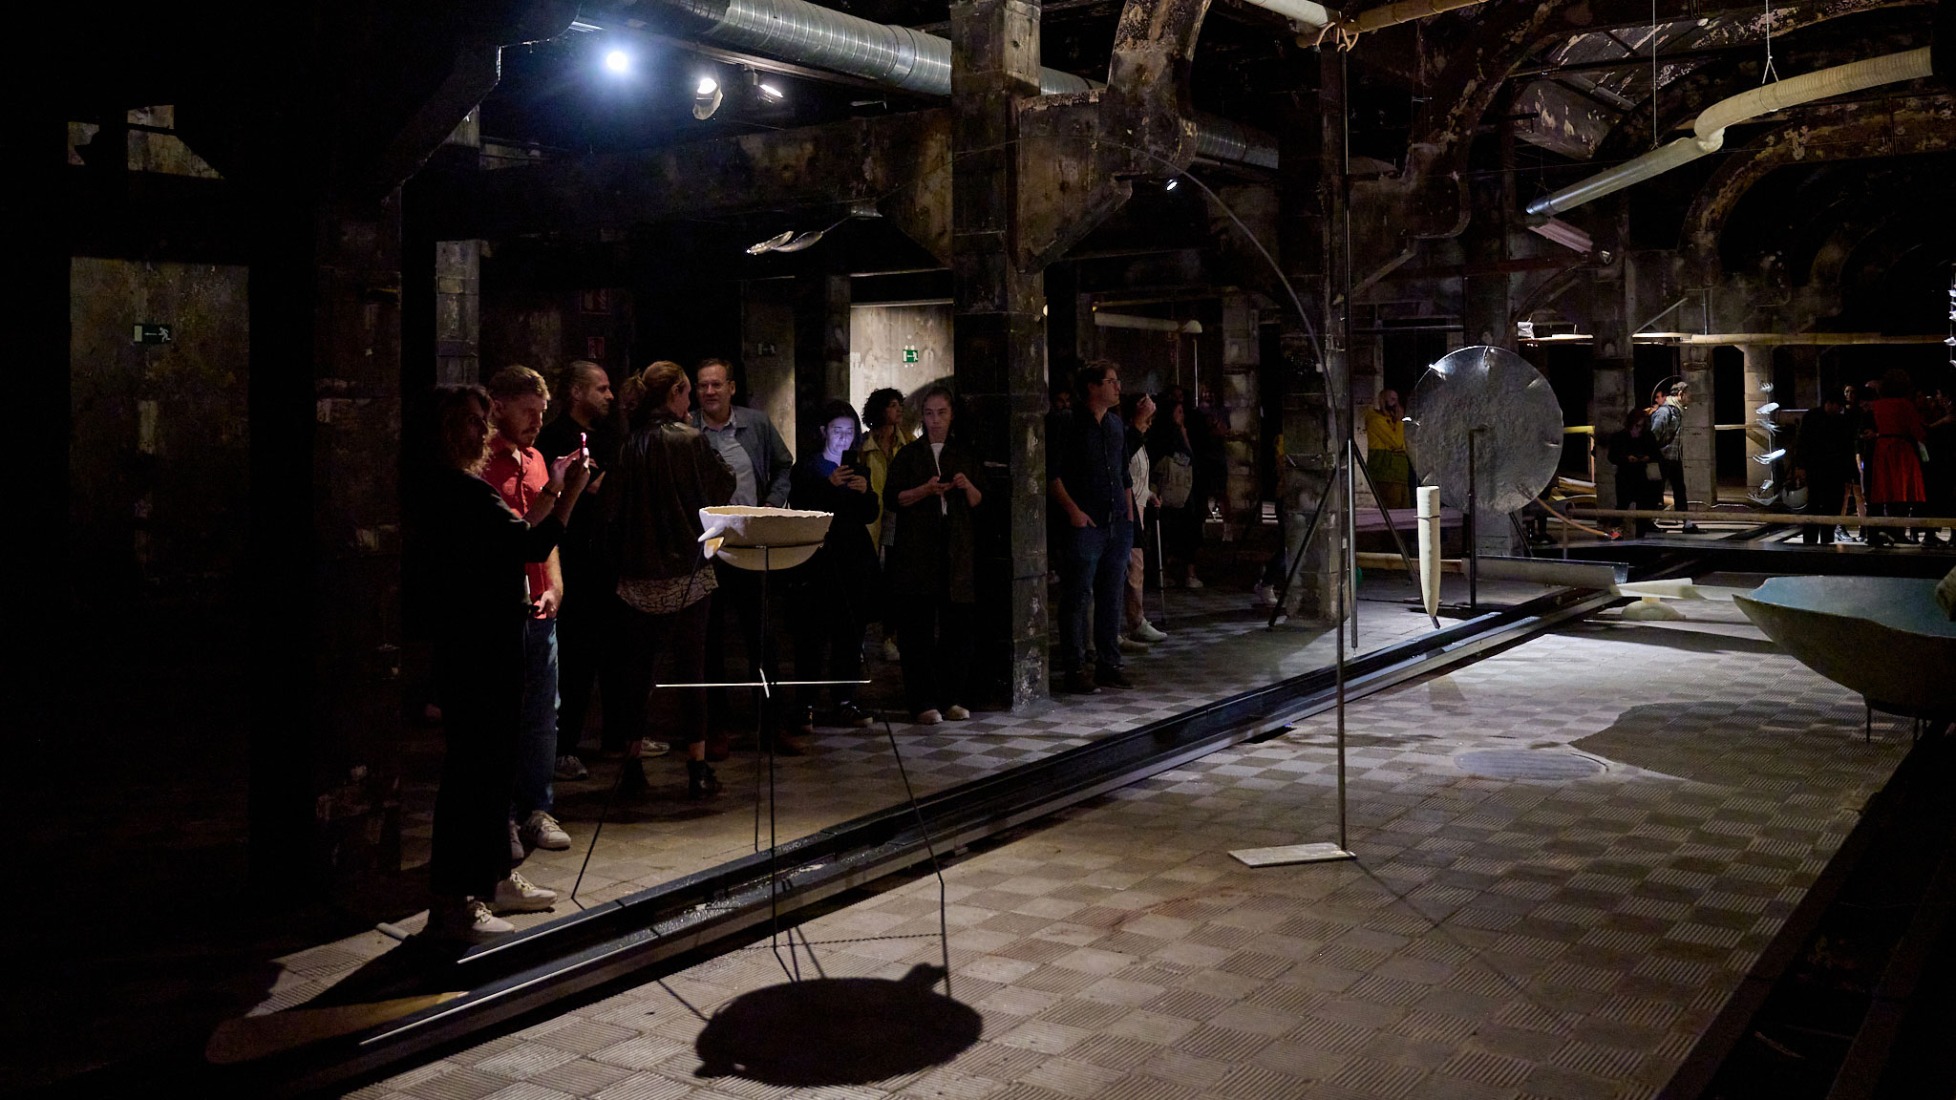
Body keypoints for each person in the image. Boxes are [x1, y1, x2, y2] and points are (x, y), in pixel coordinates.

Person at [416, 383, 590, 940]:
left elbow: (515, 532)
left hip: (484, 646)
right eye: (469, 421)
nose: (481, 430)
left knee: (491, 769)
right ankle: (454, 901)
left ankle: (491, 880)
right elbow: (530, 546)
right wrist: (571, 494)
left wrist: (553, 487)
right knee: (474, 775)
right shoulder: (456, 490)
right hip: (476, 651)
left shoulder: (458, 489)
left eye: (480, 419)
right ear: (443, 428)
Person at [607, 361, 736, 798]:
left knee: (635, 675)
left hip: (637, 576)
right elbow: (722, 487)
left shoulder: (629, 446)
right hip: (688, 576)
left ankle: (631, 765)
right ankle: (697, 768)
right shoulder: (691, 440)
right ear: (677, 392)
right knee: (691, 672)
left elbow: (613, 512)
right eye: (687, 393)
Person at [480, 366, 573, 857]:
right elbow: (518, 534)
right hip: (501, 613)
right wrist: (560, 493)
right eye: (528, 412)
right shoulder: (481, 468)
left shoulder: (536, 460)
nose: (538, 422)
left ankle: (536, 808)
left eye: (542, 413)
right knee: (501, 718)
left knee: (542, 716)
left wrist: (555, 586)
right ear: (498, 407)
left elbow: (545, 540)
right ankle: (503, 820)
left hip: (541, 613)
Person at [534, 361, 641, 781]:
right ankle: (564, 747)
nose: (609, 396)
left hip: (605, 560)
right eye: (601, 389)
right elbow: (586, 494)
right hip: (574, 559)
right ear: (576, 393)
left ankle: (617, 736)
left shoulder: (605, 437)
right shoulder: (556, 439)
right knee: (577, 657)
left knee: (614, 652)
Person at [690, 358, 796, 759]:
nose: (710, 392)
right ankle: (715, 729)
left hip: (752, 544)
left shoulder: (756, 424)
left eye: (716, 384)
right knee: (710, 642)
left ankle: (773, 725)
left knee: (762, 638)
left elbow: (784, 465)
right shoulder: (688, 429)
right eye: (703, 386)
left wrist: (770, 506)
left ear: (731, 387)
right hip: (711, 548)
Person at [884, 386, 982, 724]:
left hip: (956, 553)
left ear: (952, 415)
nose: (935, 420)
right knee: (917, 631)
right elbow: (894, 499)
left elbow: (980, 501)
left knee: (957, 629)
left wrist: (966, 485)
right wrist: (926, 490)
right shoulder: (909, 455)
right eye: (929, 414)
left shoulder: (965, 452)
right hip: (917, 553)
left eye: (941, 413)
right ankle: (922, 701)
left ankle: (952, 696)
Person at [787, 399, 881, 738]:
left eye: (850, 431)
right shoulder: (809, 468)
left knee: (850, 633)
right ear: (824, 431)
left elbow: (869, 513)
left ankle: (845, 699)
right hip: (818, 561)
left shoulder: (859, 469)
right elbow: (801, 506)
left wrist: (865, 490)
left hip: (854, 559)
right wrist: (830, 487)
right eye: (838, 431)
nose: (844, 438)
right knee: (811, 635)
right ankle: (805, 703)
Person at [1049, 360, 1135, 694]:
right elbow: (1053, 473)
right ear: (1092, 387)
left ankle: (1108, 664)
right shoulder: (1067, 424)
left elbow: (1123, 472)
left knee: (1111, 595)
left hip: (1115, 523)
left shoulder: (1114, 425)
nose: (1117, 387)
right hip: (1084, 524)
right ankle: (1075, 667)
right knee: (1077, 595)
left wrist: (1128, 516)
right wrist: (1073, 511)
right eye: (1111, 381)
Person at [860, 387, 908, 662]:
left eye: (899, 404)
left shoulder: (907, 443)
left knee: (893, 579)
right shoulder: (865, 447)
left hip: (896, 517)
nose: (898, 410)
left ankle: (889, 637)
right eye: (892, 405)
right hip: (871, 516)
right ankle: (862, 638)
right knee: (868, 578)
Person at [1121, 393, 1167, 650]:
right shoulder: (1127, 437)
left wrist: (1148, 493)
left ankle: (1137, 620)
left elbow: (1138, 475)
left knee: (1136, 567)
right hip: (1127, 509)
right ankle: (1132, 622)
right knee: (1128, 568)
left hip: (1138, 505)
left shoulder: (1140, 442)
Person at [1862, 369, 1927, 548]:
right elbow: (1917, 430)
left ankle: (1888, 530)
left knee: (1887, 492)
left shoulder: (1879, 405)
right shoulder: (1904, 404)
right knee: (1902, 493)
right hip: (1901, 449)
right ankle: (1898, 532)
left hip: (1882, 448)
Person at [1149, 393, 1202, 588]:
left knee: (1172, 532)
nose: (1182, 415)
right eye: (1178, 412)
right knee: (1171, 531)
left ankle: (1171, 571)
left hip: (1178, 489)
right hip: (1172, 488)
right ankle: (1174, 572)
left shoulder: (1176, 431)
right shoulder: (1169, 434)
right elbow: (1187, 459)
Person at [1794, 394, 1856, 546]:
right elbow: (1803, 442)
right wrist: (1801, 466)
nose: (1841, 408)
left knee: (1832, 505)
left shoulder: (1840, 420)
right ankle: (1811, 541)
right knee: (1815, 504)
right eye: (1838, 405)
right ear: (1829, 403)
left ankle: (1826, 540)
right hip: (1817, 469)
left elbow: (1847, 447)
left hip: (1834, 470)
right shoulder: (1813, 417)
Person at [1604, 410, 1663, 539]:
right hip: (1626, 476)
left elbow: (1657, 454)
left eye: (1641, 426)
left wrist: (1647, 457)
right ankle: (1615, 534)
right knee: (1622, 505)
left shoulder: (1648, 436)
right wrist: (1626, 458)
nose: (1639, 429)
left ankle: (1640, 536)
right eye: (1637, 425)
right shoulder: (1620, 437)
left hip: (1643, 477)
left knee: (1643, 507)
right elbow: (1612, 457)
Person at [1648, 378, 1698, 531]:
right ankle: (1647, 522)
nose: (1690, 398)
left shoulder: (1677, 411)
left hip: (1673, 458)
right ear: (1681, 394)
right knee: (1655, 491)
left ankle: (1686, 522)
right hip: (1661, 459)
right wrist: (1652, 457)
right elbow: (1653, 436)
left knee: (1679, 490)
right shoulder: (1665, 411)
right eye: (1688, 395)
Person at [1363, 389, 1413, 510]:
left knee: (1405, 509)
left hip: (1399, 474)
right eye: (1391, 399)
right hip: (1386, 474)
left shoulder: (1393, 422)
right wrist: (1400, 422)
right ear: (1382, 401)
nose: (1395, 404)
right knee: (1393, 508)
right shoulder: (1376, 421)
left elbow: (1402, 444)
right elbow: (1396, 443)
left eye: (1396, 400)